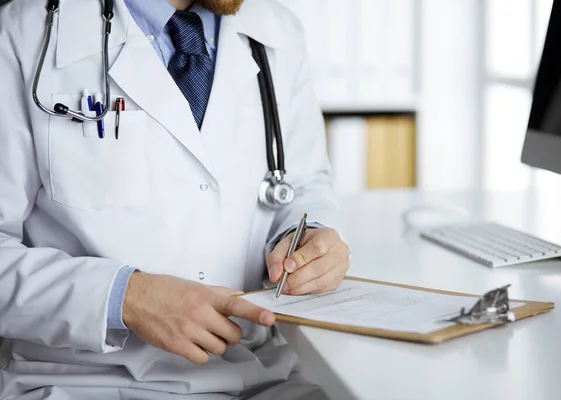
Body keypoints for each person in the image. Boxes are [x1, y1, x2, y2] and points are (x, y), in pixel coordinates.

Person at [0, 0, 351, 398]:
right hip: (84, 382)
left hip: (262, 375)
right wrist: (126, 298)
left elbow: (305, 183)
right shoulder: (23, 34)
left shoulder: (277, 29)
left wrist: (310, 238)